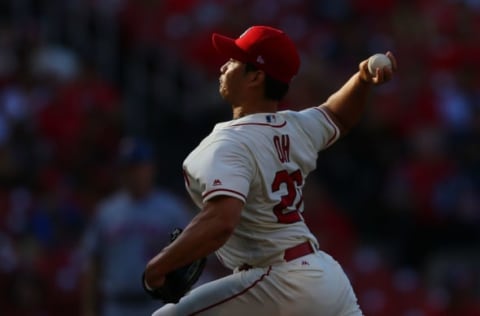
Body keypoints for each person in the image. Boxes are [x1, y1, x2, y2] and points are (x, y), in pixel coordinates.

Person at [144, 25, 397, 315]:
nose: (225, 66)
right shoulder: (296, 127)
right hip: (326, 278)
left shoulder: (226, 144)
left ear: (256, 76)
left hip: (277, 279)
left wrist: (158, 265)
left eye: (234, 60)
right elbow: (337, 115)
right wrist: (362, 79)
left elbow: (222, 220)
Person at [81, 137, 192, 316]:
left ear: (151, 168)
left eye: (138, 167)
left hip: (158, 305)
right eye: (128, 168)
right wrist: (88, 310)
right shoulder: (106, 212)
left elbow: (191, 260)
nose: (134, 174)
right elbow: (93, 264)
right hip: (117, 305)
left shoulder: (172, 210)